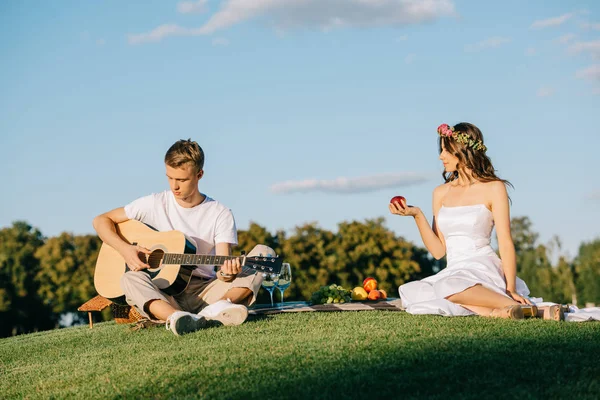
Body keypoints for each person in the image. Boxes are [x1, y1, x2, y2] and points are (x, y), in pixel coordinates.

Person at [93, 139, 271, 335]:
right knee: (129, 279)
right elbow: (101, 220)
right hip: (165, 294)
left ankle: (214, 309)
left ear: (199, 174)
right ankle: (177, 317)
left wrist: (228, 273)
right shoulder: (154, 203)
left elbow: (222, 270)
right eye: (170, 178)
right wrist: (125, 250)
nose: (174, 186)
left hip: (206, 290)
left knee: (265, 253)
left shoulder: (220, 213)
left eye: (182, 180)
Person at [389, 122, 563, 320]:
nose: (441, 156)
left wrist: (511, 287)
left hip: (481, 266)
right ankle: (501, 312)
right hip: (454, 271)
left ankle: (515, 304)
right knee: (410, 291)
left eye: (446, 150)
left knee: (446, 287)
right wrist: (417, 215)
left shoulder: (494, 188)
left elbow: (505, 241)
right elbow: (438, 252)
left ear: (463, 150)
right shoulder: (440, 193)